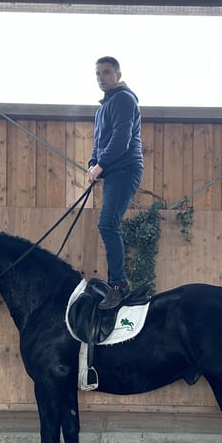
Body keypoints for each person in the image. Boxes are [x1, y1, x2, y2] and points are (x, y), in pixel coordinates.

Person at [87, 56, 144, 310]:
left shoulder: (123, 99)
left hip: (125, 169)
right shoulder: (102, 108)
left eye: (107, 73)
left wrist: (101, 165)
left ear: (118, 75)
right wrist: (93, 163)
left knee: (108, 224)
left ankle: (119, 285)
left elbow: (121, 138)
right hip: (113, 171)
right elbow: (99, 143)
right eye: (98, 73)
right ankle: (116, 283)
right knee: (107, 225)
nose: (102, 77)